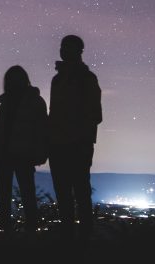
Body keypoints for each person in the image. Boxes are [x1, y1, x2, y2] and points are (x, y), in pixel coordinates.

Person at [48, 34, 102, 240]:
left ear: (78, 52)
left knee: (79, 192)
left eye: (67, 48)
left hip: (77, 144)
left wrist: (72, 128)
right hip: (60, 144)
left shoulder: (86, 78)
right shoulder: (58, 79)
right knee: (64, 193)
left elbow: (95, 115)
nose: (63, 51)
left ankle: (83, 238)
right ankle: (69, 237)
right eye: (63, 47)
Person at [0, 65, 48, 234]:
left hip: (23, 155)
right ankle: (7, 230)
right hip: (4, 155)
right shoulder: (6, 103)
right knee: (5, 196)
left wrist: (40, 153)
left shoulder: (34, 101)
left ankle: (30, 231)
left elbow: (42, 129)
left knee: (27, 194)